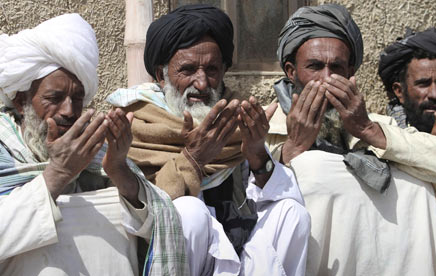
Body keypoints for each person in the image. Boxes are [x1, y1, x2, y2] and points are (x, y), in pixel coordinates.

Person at [107, 4, 309, 276]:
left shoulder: (238, 118)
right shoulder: (137, 125)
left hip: (239, 254)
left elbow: (269, 198)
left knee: (292, 213)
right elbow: (144, 213)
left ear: (224, 70)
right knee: (189, 212)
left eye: (212, 70)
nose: (202, 84)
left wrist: (256, 152)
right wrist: (193, 158)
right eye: (188, 70)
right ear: (161, 75)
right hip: (171, 259)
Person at [267, 4, 436, 275]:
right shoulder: (266, 128)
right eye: (314, 67)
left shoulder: (381, 126)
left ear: (350, 73)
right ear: (291, 71)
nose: (326, 79)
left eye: (337, 67)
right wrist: (293, 149)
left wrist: (368, 130)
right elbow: (251, 207)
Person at [0, 14, 188, 276]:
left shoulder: (97, 151)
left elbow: (157, 223)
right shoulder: (3, 148)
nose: (68, 111)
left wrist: (118, 169)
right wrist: (58, 173)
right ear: (21, 101)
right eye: (54, 98)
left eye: (77, 98)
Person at [379, 27, 436, 274]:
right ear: (399, 91)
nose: (434, 94)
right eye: (424, 83)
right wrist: (434, 154)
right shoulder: (382, 144)